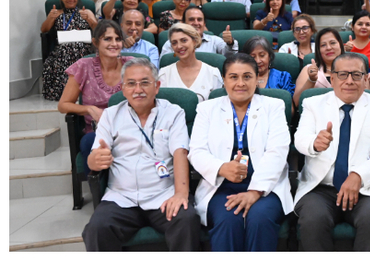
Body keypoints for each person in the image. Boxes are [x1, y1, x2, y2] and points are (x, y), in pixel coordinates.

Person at [82, 57, 201, 251]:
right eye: (131, 84)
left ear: (157, 86)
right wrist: (94, 160)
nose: (138, 89)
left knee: (186, 220)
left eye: (145, 83)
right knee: (97, 228)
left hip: (162, 194)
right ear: (123, 88)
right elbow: (96, 154)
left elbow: (180, 152)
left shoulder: (173, 113)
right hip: (121, 197)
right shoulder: (110, 115)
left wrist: (181, 194)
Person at [294, 53, 370, 251]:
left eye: (356, 75)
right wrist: (315, 144)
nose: (349, 81)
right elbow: (300, 139)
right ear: (332, 79)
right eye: (342, 75)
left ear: (366, 78)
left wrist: (358, 175)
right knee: (313, 220)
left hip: (365, 188)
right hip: (320, 188)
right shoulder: (313, 104)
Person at [189, 53, 293, 251]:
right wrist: (221, 167)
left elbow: (277, 152)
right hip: (220, 187)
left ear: (256, 79)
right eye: (233, 77)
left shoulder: (274, 106)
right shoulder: (206, 109)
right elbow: (196, 151)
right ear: (224, 80)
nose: (241, 83)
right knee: (228, 221)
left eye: (247, 76)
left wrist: (255, 191)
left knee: (260, 219)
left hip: (266, 188)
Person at [57, 20, 132, 176]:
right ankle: (100, 191)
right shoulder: (83, 66)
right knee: (89, 142)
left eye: (118, 39)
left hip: (130, 126)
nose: (114, 43)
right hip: (97, 130)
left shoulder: (132, 65)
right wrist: (89, 109)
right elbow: (63, 105)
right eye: (107, 39)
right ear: (95, 42)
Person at [41, 0, 97, 101]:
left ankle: (81, 92)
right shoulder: (57, 13)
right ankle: (65, 93)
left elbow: (98, 30)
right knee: (63, 53)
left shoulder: (86, 12)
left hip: (83, 48)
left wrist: (89, 19)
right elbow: (44, 30)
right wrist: (50, 17)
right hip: (62, 49)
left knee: (76, 51)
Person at [159, 23, 223, 103]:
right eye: (174, 43)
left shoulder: (213, 73)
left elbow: (218, 107)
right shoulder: (164, 73)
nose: (179, 46)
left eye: (184, 40)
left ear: (195, 41)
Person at [159, 6, 238, 58]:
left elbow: (230, 57)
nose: (196, 23)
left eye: (199, 20)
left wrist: (230, 43)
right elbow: (165, 65)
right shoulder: (172, 43)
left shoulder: (214, 41)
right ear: (183, 23)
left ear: (204, 24)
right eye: (191, 19)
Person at [293, 28, 345, 106]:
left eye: (333, 43)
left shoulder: (354, 68)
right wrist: (311, 80)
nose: (328, 48)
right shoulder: (308, 70)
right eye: (323, 45)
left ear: (340, 45)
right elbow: (297, 102)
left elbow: (366, 97)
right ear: (318, 50)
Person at [344, 11, 370, 84]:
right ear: (352, 27)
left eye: (367, 24)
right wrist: (345, 51)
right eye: (360, 24)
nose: (364, 27)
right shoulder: (345, 47)